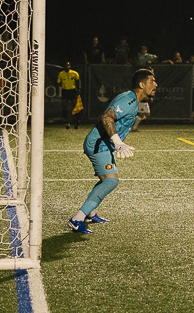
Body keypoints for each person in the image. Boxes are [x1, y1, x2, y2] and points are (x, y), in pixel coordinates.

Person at [68, 68, 157, 234]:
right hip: (99, 144)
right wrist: (118, 142)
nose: (156, 84)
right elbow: (107, 117)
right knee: (111, 181)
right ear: (141, 84)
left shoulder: (133, 100)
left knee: (106, 180)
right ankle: (77, 219)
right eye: (152, 81)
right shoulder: (129, 100)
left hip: (104, 144)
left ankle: (90, 214)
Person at [57, 61, 82, 130]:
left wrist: (79, 88)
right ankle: (67, 121)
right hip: (65, 91)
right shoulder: (61, 74)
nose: (67, 67)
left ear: (70, 66)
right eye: (66, 65)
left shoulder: (74, 73)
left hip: (72, 91)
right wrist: (57, 90)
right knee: (64, 106)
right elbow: (58, 82)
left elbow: (78, 80)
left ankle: (77, 120)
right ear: (64, 66)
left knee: (75, 106)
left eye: (68, 65)